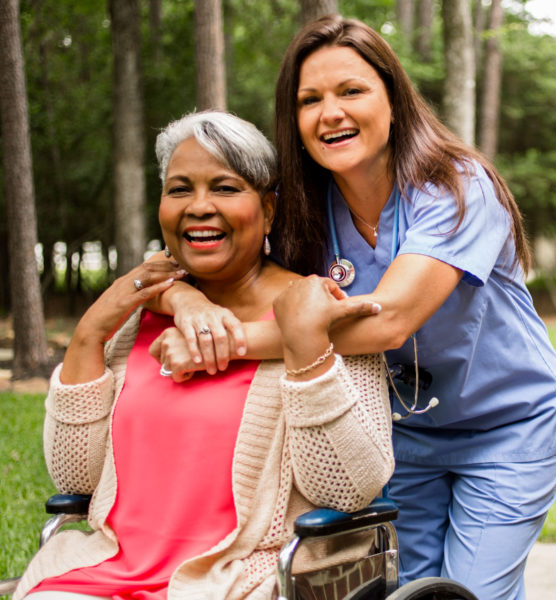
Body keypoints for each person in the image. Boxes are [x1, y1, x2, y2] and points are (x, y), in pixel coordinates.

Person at [149, 16, 556, 600]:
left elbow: (390, 320)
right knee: (401, 589)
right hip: (402, 434)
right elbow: (184, 257)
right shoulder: (304, 212)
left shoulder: (458, 187)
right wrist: (182, 299)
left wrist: (226, 342)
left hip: (506, 425)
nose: (331, 112)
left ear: (394, 100)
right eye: (310, 99)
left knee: (473, 591)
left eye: (351, 91)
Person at [14, 110, 395, 600]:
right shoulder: (133, 320)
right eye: (179, 189)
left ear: (268, 211)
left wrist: (307, 352)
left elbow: (346, 491)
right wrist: (89, 334)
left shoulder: (315, 311)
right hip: (111, 569)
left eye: (225, 187)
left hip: (244, 576)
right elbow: (75, 479)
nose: (199, 206)